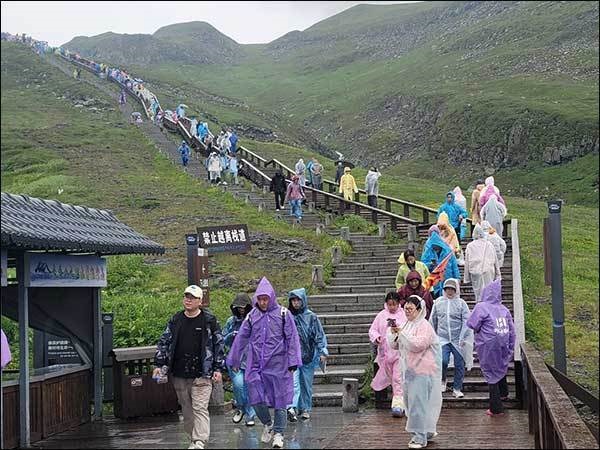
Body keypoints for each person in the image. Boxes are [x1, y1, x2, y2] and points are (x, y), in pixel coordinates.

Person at [226, 277, 302, 449]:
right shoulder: (252, 316)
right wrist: (235, 359)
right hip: (256, 364)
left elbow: (292, 338)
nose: (262, 302)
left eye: (265, 299)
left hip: (279, 364)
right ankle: (268, 423)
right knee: (255, 396)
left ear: (271, 297)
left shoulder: (283, 314)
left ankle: (279, 434)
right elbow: (241, 338)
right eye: (259, 299)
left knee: (280, 400)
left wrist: (293, 361)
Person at [154, 285, 224, 450]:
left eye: (192, 297)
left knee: (199, 407)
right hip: (179, 371)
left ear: (200, 301)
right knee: (186, 409)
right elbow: (164, 341)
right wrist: (159, 364)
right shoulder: (176, 319)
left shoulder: (209, 320)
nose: (188, 300)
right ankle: (193, 439)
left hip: (202, 372)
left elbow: (218, 344)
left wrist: (218, 368)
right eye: (186, 296)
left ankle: (200, 440)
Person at [388, 296, 442, 449]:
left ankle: (419, 436)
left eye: (411, 309)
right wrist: (394, 334)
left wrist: (403, 334)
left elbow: (418, 345)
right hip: (410, 371)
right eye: (406, 309)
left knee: (418, 404)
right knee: (412, 403)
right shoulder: (407, 324)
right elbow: (396, 345)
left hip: (423, 370)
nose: (408, 312)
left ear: (419, 310)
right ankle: (427, 431)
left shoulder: (424, 326)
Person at [467, 280, 515, 417]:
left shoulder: (481, 307)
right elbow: (512, 330)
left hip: (487, 345)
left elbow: (472, 323)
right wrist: (511, 347)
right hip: (503, 344)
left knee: (490, 373)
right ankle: (504, 393)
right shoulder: (504, 309)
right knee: (500, 367)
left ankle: (496, 408)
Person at [286, 288, 328, 422]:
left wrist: (322, 351)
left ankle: (304, 408)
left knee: (306, 384)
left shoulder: (311, 317)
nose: (296, 303)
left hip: (308, 355)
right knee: (294, 383)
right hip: (293, 357)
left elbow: (319, 335)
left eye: (298, 300)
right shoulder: (288, 317)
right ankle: (291, 407)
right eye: (293, 300)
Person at [429, 279, 472, 398]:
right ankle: (443, 380)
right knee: (442, 360)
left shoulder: (461, 303)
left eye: (452, 289)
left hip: (457, 339)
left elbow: (466, 321)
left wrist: (463, 336)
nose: (449, 291)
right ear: (444, 289)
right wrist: (434, 336)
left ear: (456, 290)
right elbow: (433, 320)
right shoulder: (438, 302)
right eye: (447, 289)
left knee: (459, 363)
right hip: (442, 338)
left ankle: (457, 388)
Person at [369, 291, 407, 417]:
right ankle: (402, 400)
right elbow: (373, 330)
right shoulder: (381, 315)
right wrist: (377, 337)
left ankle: (397, 405)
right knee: (392, 378)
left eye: (394, 304)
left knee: (397, 378)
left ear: (398, 304)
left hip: (399, 353)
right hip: (385, 355)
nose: (392, 307)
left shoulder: (403, 315)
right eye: (390, 304)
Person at [223, 293, 256, 426]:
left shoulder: (254, 320)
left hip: (251, 360)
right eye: (238, 307)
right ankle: (240, 407)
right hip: (235, 360)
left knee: (250, 388)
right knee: (238, 385)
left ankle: (250, 415)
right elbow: (223, 339)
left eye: (243, 307)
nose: (241, 310)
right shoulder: (231, 321)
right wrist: (232, 335)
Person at [464, 224, 501, 302]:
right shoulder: (489, 244)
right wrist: (498, 274)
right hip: (488, 270)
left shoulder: (470, 246)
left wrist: (466, 278)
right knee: (489, 291)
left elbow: (467, 262)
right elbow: (495, 260)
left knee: (478, 293)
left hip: (475, 272)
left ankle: (479, 306)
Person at [420, 229, 460, 299]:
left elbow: (454, 266)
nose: (435, 247)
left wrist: (457, 278)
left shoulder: (448, 252)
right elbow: (422, 266)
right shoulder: (428, 252)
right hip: (433, 282)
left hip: (447, 281)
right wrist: (431, 264)